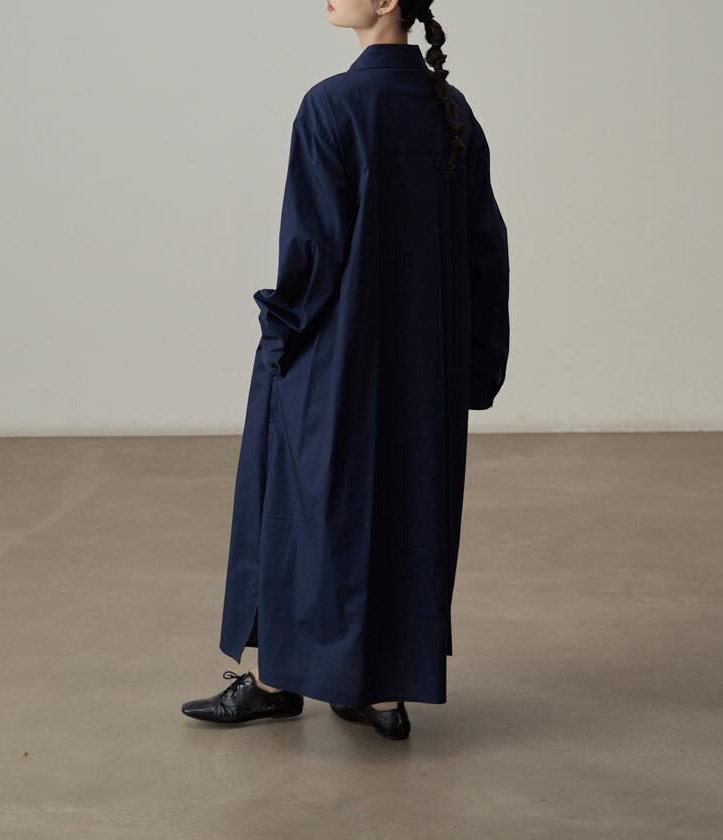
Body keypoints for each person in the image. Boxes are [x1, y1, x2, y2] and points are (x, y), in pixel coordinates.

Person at [181, 0, 509, 741]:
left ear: (388, 0)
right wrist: (476, 361)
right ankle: (379, 690)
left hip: (334, 355)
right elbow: (485, 245)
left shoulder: (332, 105)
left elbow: (313, 247)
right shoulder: (451, 110)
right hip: (424, 365)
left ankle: (276, 683)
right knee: (403, 508)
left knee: (301, 511)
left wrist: (280, 334)